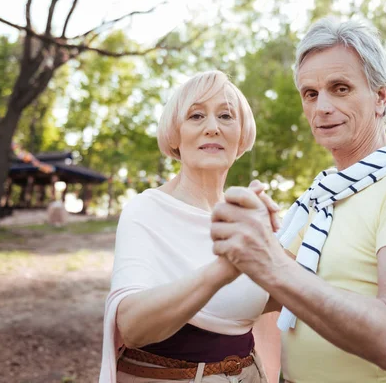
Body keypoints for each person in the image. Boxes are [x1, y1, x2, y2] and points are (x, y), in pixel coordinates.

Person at [211, 17, 386, 383]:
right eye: (310, 93)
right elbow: (266, 294)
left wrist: (271, 263)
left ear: (381, 95)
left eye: (340, 88)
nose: (321, 106)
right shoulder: (323, 194)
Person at [100, 71, 282, 383]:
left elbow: (269, 302)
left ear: (241, 135)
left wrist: (280, 250)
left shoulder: (247, 216)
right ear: (175, 134)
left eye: (226, 116)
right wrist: (223, 269)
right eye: (196, 115)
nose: (212, 127)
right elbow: (132, 327)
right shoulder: (145, 211)